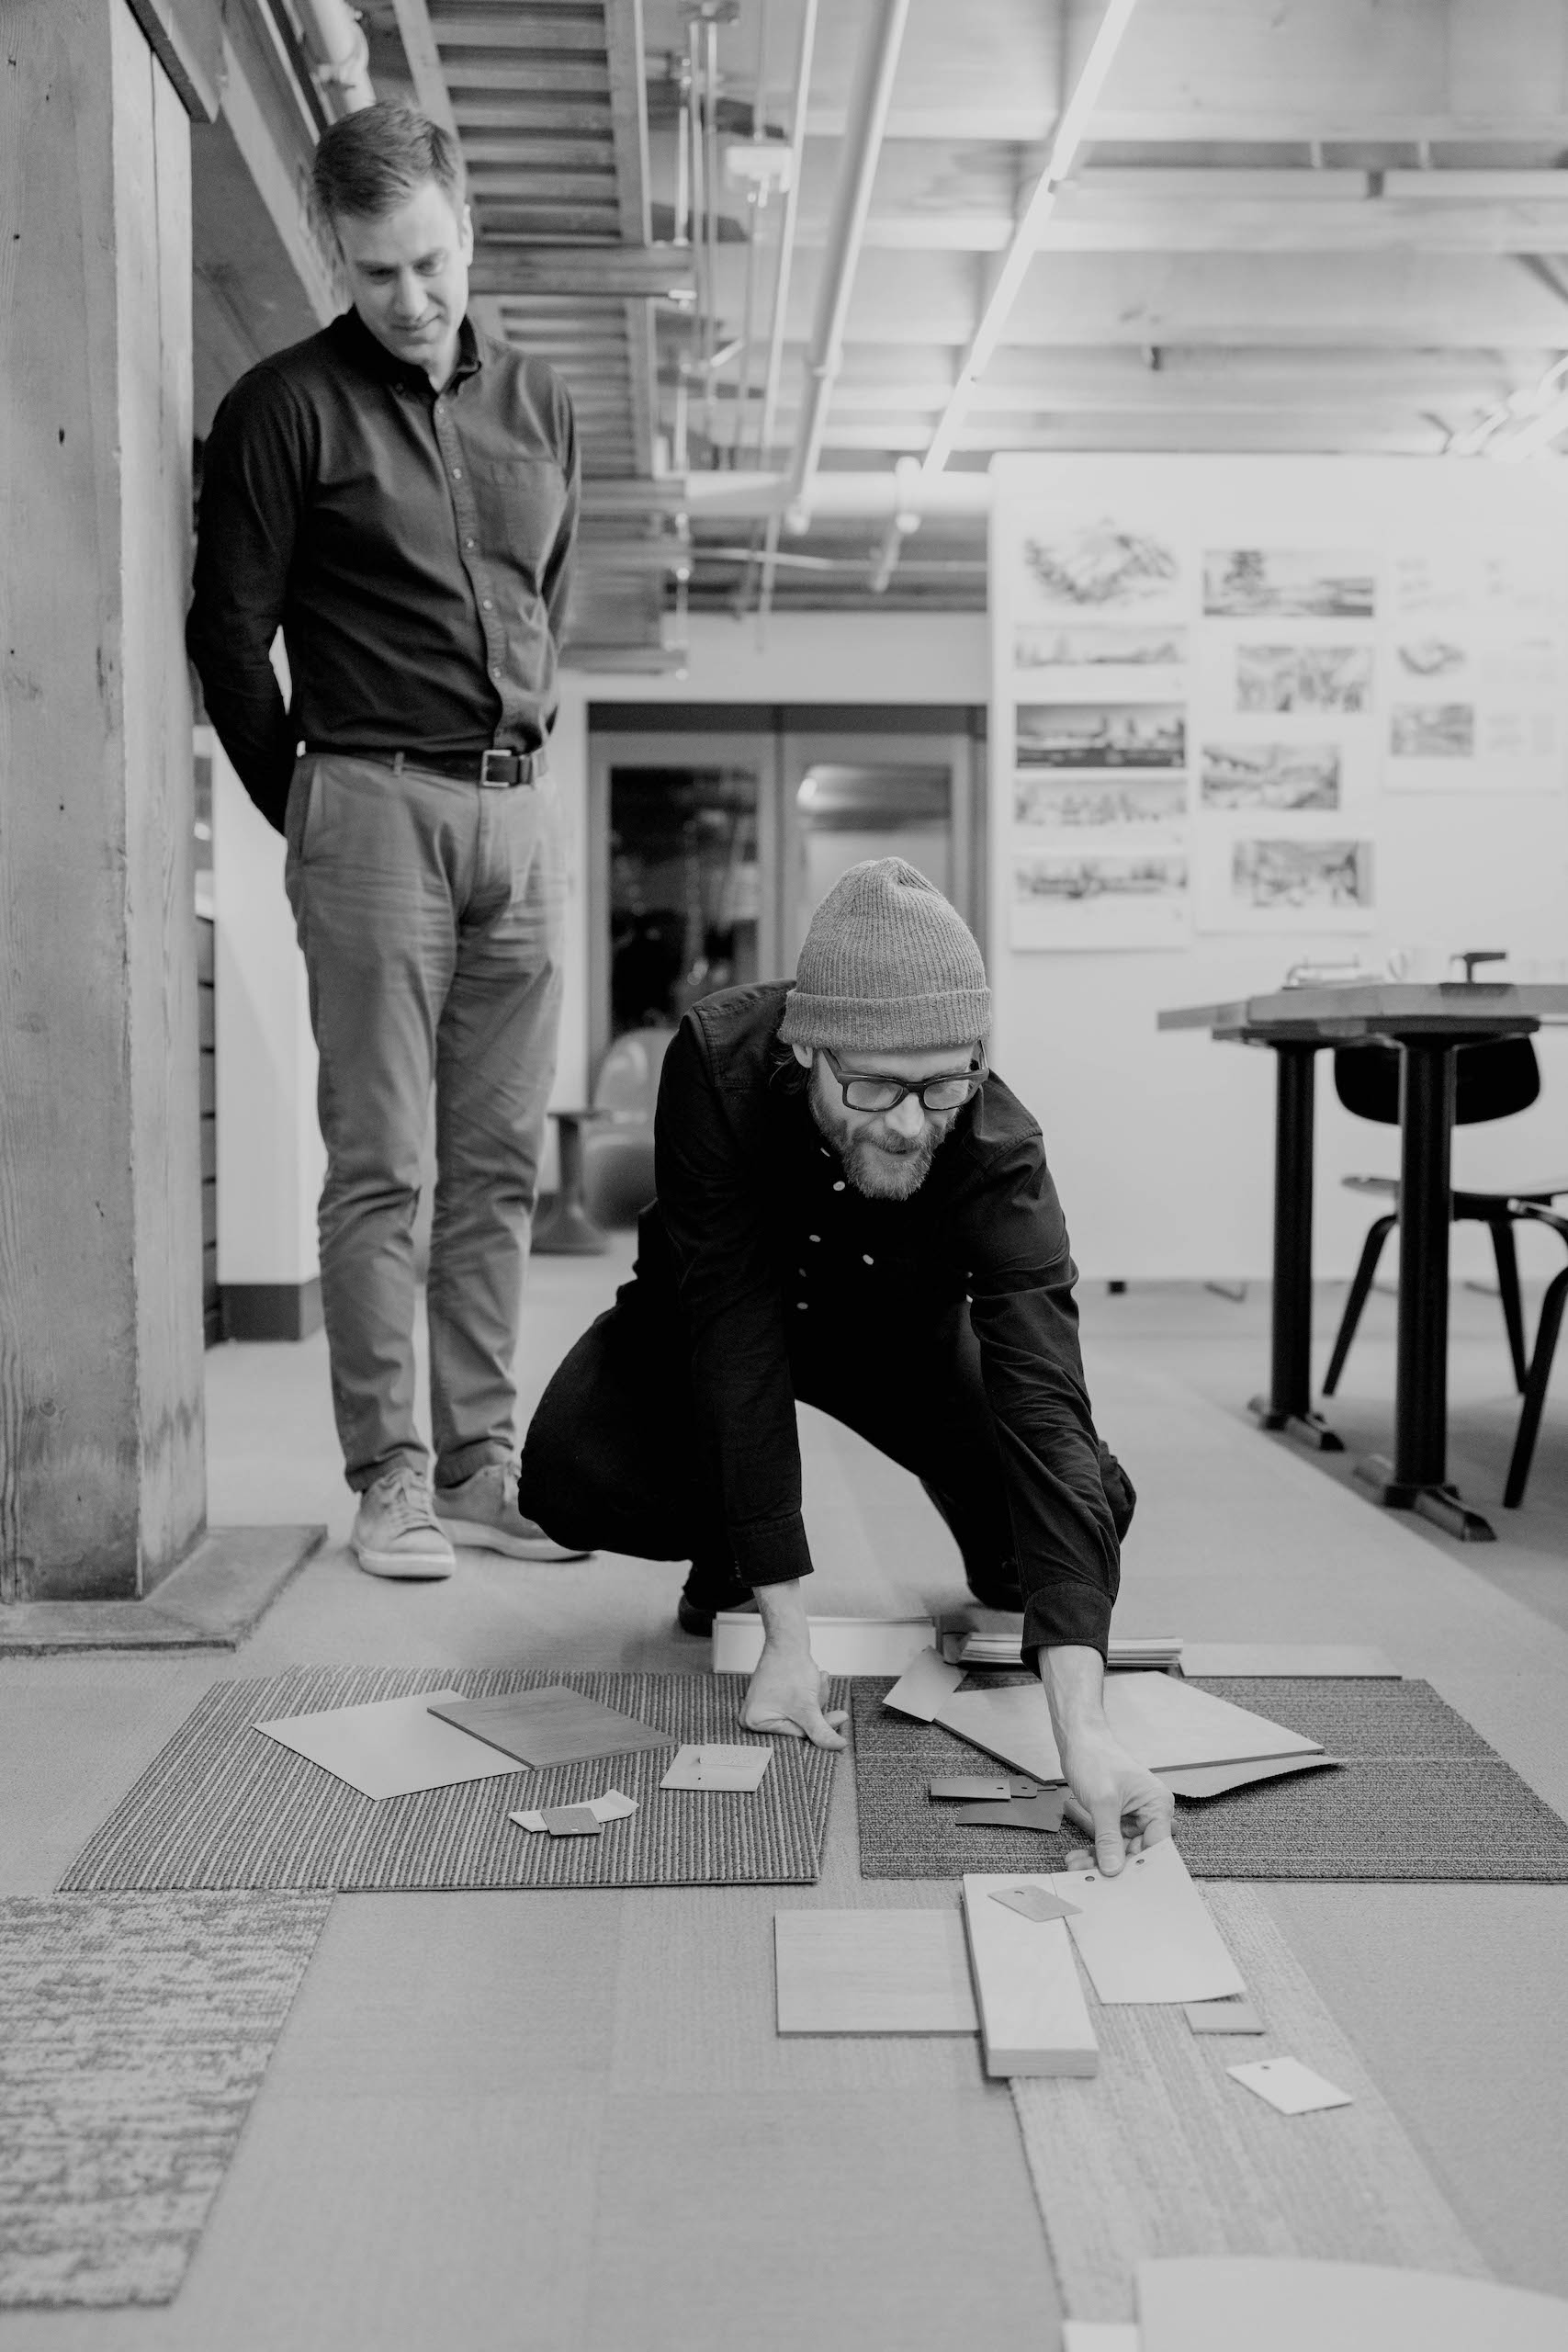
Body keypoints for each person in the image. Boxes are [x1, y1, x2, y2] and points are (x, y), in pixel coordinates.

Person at [519, 859, 1174, 1874]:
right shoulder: (717, 1063)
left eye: (942, 1082)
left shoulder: (997, 1145)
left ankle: (978, 1532)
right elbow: (733, 1336)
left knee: (1075, 1515)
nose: (910, 1122)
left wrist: (1081, 1733)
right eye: (871, 1084)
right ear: (805, 1049)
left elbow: (1044, 1399)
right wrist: (785, 1630)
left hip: (895, 1335)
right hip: (712, 1313)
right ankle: (727, 1550)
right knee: (574, 1475)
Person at [187, 101, 584, 1581]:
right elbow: (229, 639)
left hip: (515, 812)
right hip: (367, 803)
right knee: (383, 1165)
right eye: (375, 274)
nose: (411, 299)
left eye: (429, 262)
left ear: (464, 226)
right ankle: (392, 1479)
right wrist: (309, 806)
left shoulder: (539, 404)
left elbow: (545, 602)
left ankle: (482, 1467)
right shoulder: (282, 407)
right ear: (333, 261)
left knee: (497, 1167)